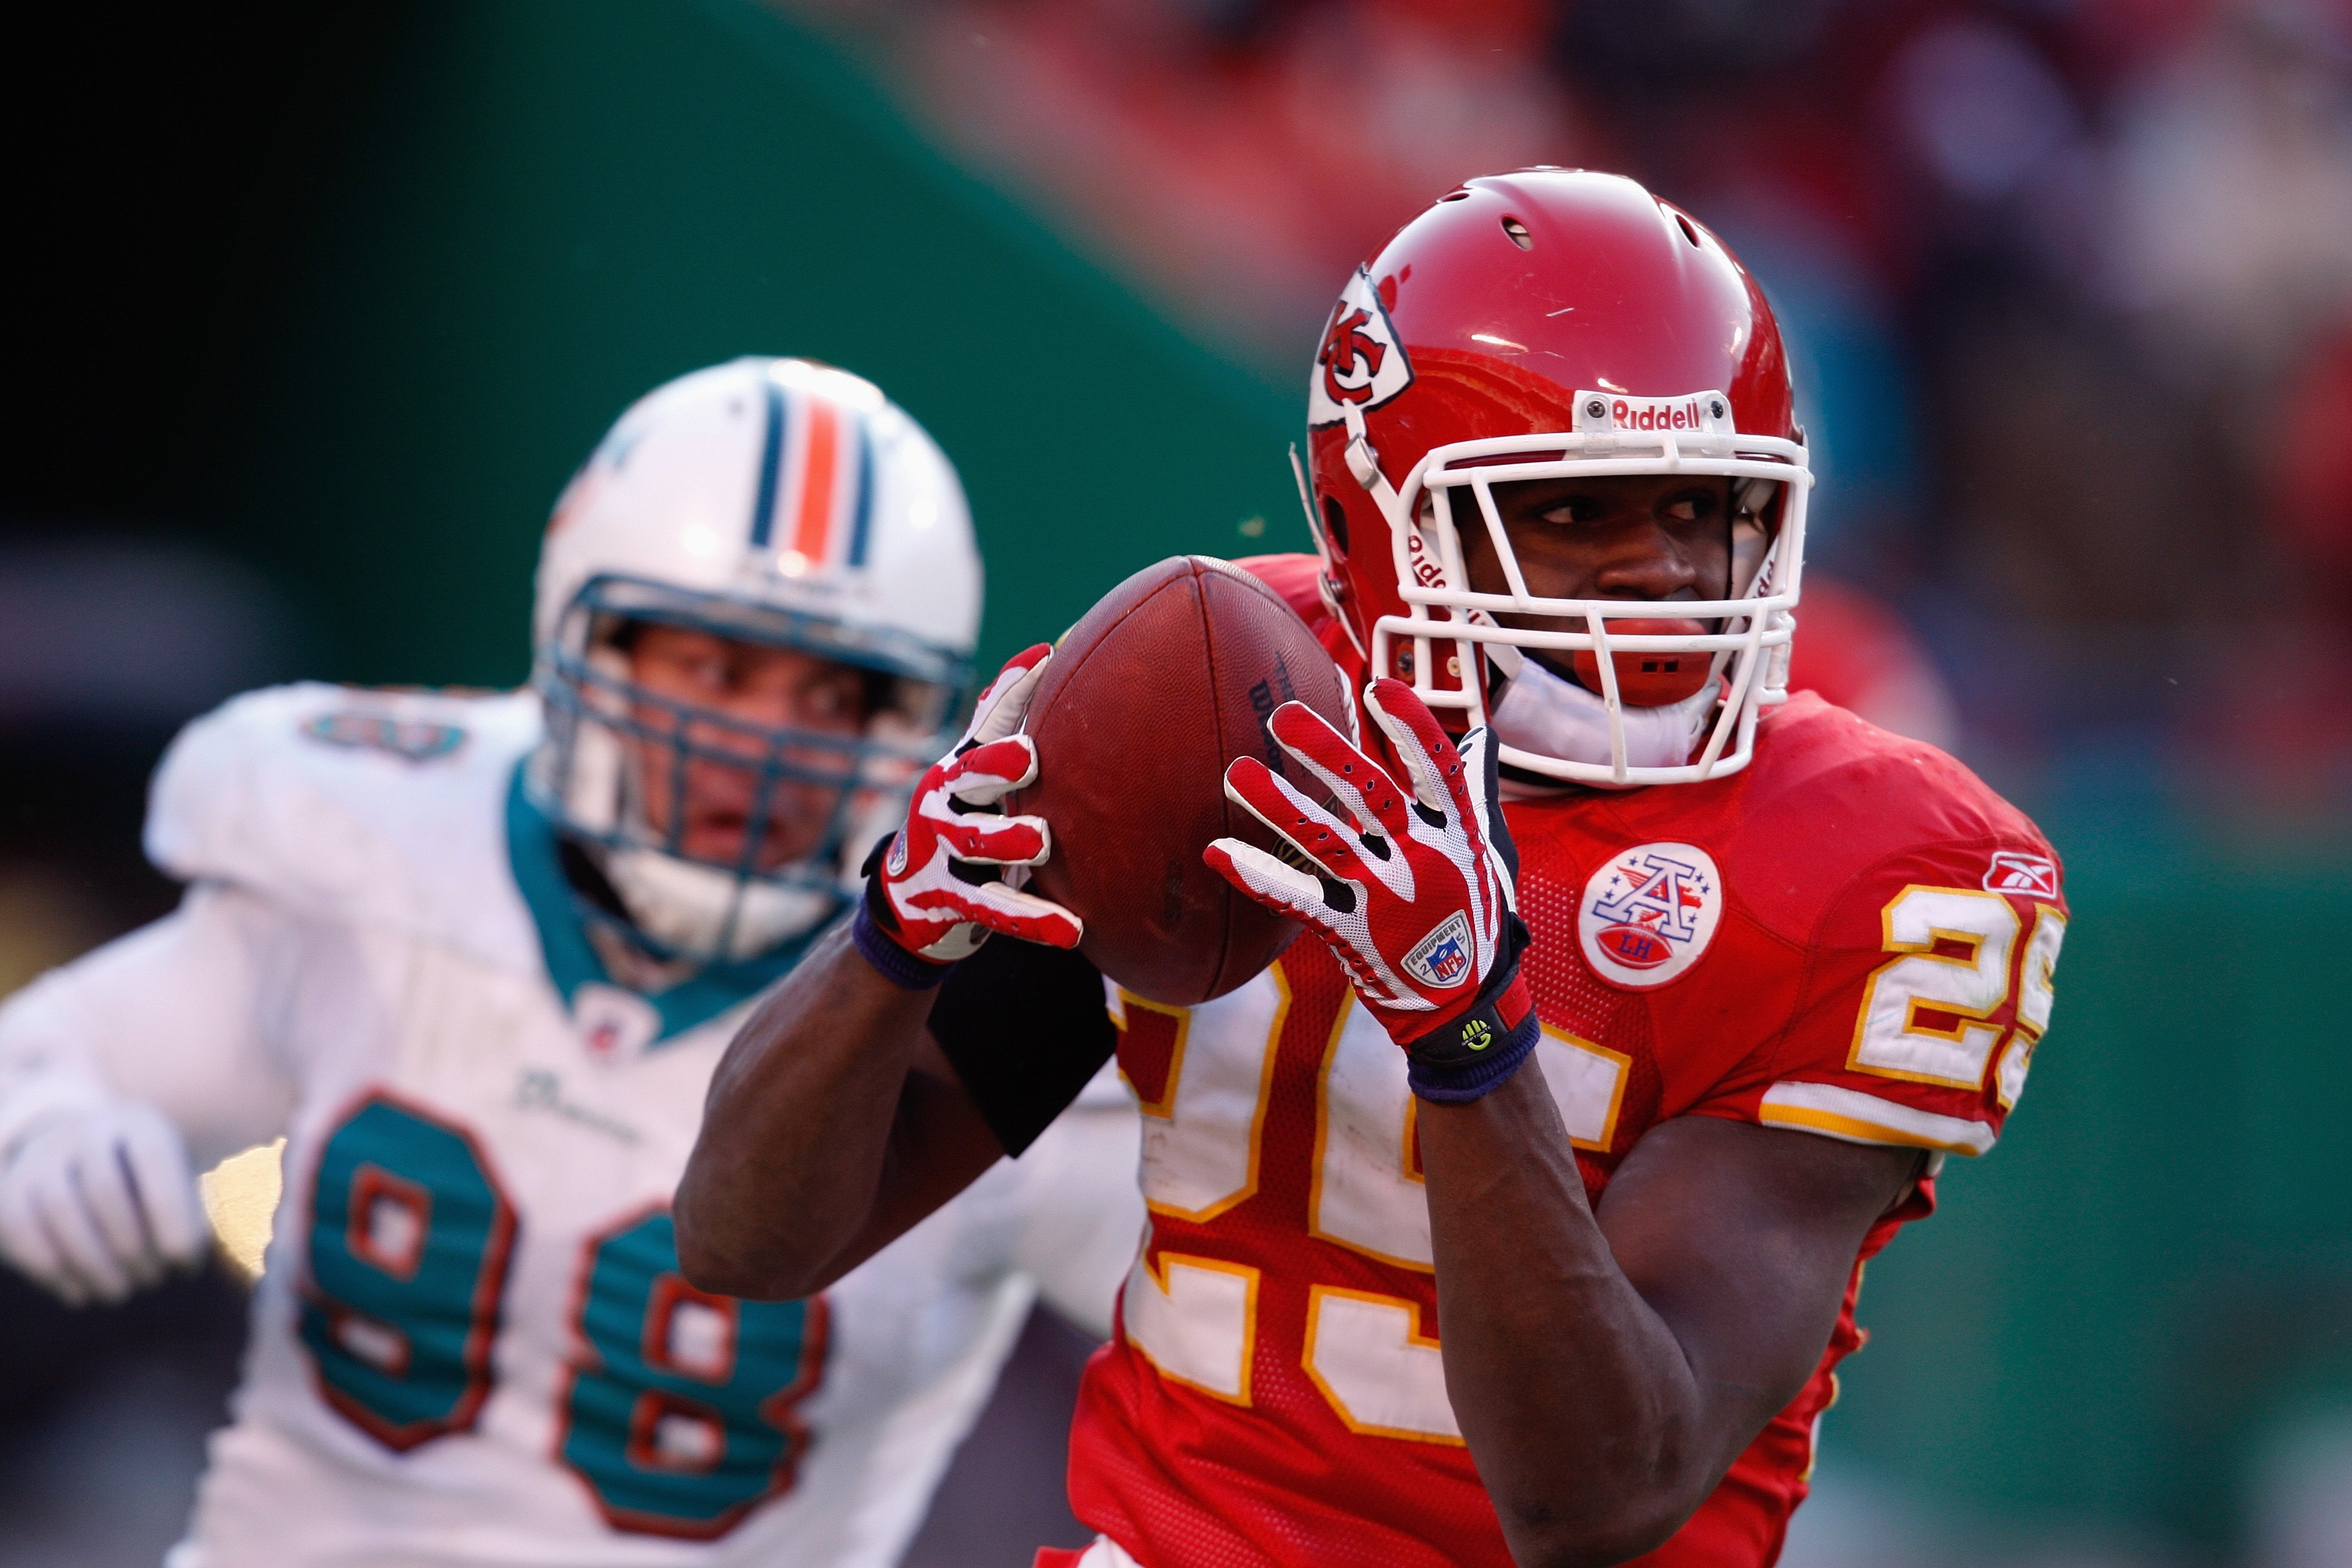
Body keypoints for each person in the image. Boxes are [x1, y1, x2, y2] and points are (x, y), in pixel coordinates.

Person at [675, 172, 2069, 1568]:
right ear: (1373, 524)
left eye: (1704, 508)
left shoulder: (1877, 864)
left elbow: (1601, 1497)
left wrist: (1468, 1032)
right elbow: (749, 1245)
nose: (1660, 574)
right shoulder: (1218, 706)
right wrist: (891, 945)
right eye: (1581, 515)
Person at [0, 357, 1142, 1566]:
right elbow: (52, 1064)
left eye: (841, 692)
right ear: (578, 638)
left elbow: (1237, 1350)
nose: (764, 741)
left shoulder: (986, 1017)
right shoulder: (379, 847)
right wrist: (50, 1131)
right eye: (716, 666)